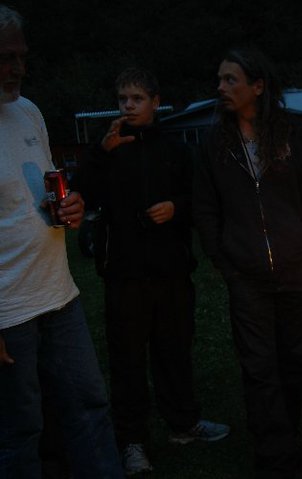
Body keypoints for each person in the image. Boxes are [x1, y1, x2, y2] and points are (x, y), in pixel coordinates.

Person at [72, 67, 229, 475]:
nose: (128, 106)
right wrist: (101, 152)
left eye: (137, 98)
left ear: (155, 103)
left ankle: (183, 423)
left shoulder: (175, 149)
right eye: (123, 99)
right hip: (124, 273)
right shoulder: (108, 147)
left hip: (171, 269)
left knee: (174, 349)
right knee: (127, 359)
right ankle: (132, 441)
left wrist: (176, 207)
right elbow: (80, 192)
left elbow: (200, 200)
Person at [193, 47, 302, 478]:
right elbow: (206, 209)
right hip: (246, 274)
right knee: (258, 367)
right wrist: (226, 263)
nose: (220, 87)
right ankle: (274, 456)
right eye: (220, 79)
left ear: (257, 86)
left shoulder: (292, 135)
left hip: (297, 271)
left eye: (230, 79)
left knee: (294, 364)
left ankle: (285, 440)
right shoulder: (216, 143)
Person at [0, 5, 124, 478]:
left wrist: (70, 205)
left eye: (22, 56)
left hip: (58, 293)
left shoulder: (27, 111)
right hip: (8, 310)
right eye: (5, 58)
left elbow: (47, 188)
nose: (18, 68)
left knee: (88, 406)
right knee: (19, 430)